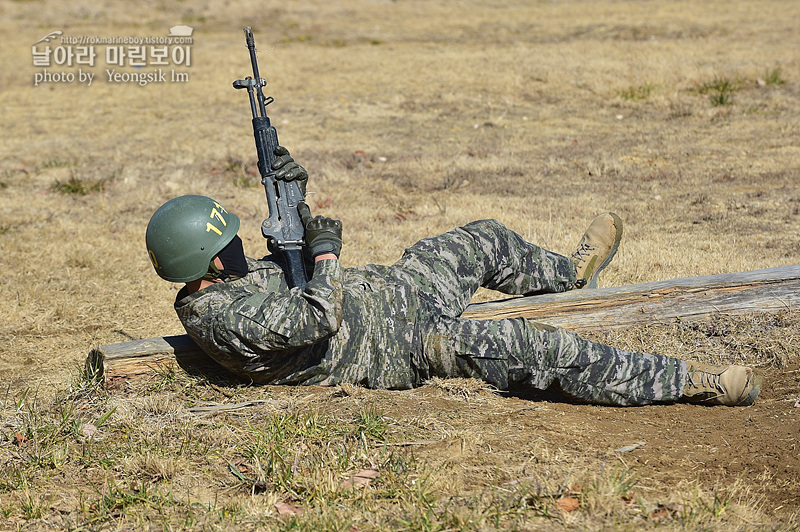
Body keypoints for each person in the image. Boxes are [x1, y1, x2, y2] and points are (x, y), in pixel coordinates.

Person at [145, 147, 761, 407]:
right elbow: (317, 314)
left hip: (401, 290)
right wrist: (328, 255)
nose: (234, 247)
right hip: (407, 347)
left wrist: (295, 201)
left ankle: (569, 275)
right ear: (201, 264)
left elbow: (287, 267)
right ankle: (690, 382)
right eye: (224, 243)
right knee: (536, 347)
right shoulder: (220, 317)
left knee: (483, 237)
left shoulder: (226, 285)